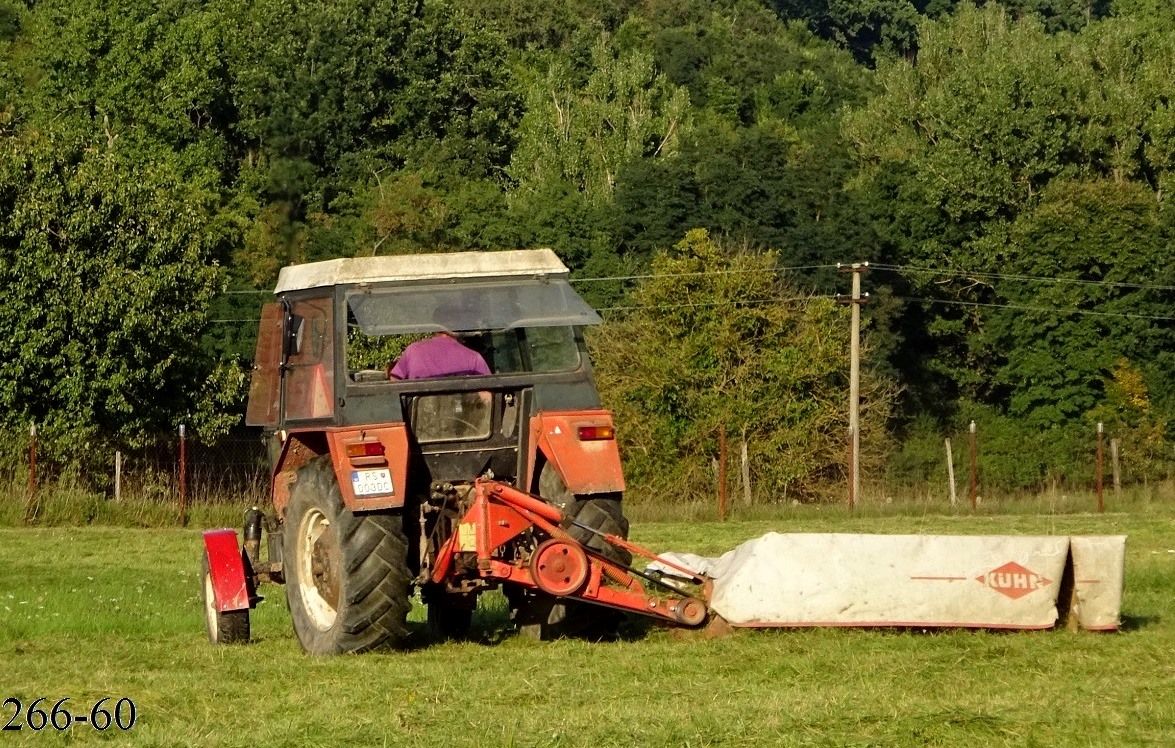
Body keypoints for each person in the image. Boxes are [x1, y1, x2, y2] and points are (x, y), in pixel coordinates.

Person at [387, 332, 490, 380]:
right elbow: (488, 397)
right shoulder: (473, 357)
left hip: (419, 420)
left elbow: (395, 378)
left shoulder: (413, 350)